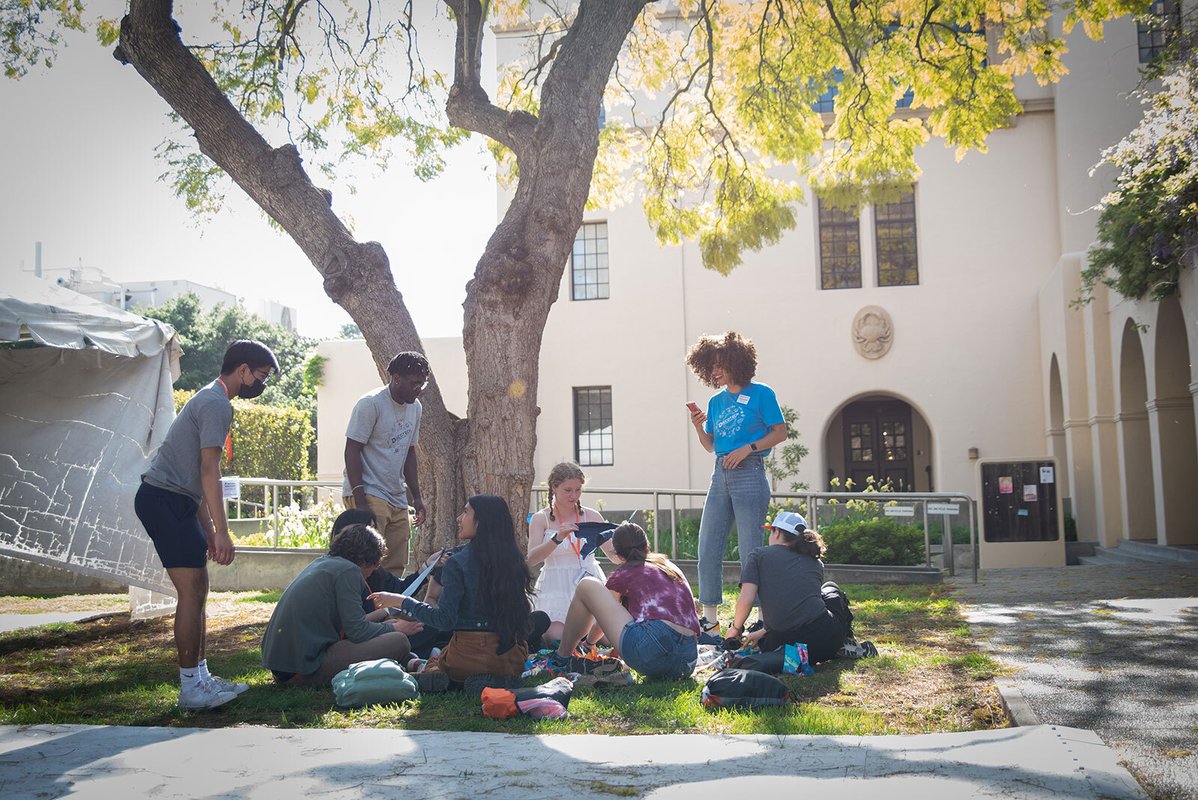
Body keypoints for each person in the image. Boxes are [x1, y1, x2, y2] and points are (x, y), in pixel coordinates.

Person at [134, 339, 278, 709]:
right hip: (163, 501)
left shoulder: (211, 398)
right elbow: (209, 470)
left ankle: (200, 678)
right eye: (259, 376)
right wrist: (224, 532)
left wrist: (211, 531)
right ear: (242, 370)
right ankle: (189, 689)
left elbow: (196, 480)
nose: (259, 385)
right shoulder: (216, 404)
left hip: (179, 500)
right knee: (192, 590)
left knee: (198, 588)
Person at [369, 494, 535, 689]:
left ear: (481, 522)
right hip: (510, 659)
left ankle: (443, 676)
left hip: (466, 657)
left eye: (465, 512)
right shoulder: (513, 560)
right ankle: (495, 677)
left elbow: (444, 620)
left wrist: (400, 601)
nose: (459, 518)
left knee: (435, 664)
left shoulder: (458, 562)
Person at [685, 331, 787, 633]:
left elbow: (780, 432)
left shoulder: (762, 394)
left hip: (750, 473)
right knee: (707, 546)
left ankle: (761, 618)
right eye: (711, 366)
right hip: (720, 474)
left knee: (750, 550)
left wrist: (749, 448)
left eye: (720, 365)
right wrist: (698, 428)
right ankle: (711, 619)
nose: (715, 371)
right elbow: (711, 445)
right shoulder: (716, 402)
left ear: (736, 362)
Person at [260, 523, 423, 686]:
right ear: (367, 560)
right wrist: (397, 628)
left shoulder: (325, 563)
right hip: (304, 668)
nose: (373, 572)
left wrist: (385, 616)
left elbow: (353, 623)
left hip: (285, 666)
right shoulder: (349, 572)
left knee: (388, 627)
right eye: (375, 565)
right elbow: (358, 632)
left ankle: (416, 665)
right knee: (399, 641)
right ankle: (417, 666)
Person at [548, 522, 699, 680]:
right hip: (687, 660)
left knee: (587, 585)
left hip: (653, 650)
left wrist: (590, 643)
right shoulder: (668, 566)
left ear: (618, 555)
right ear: (647, 546)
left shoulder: (624, 573)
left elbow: (602, 622)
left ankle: (562, 656)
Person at [726, 511, 876, 664]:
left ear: (776, 532)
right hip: (824, 641)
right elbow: (802, 604)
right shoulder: (816, 563)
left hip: (782, 641)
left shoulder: (758, 556)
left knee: (775, 643)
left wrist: (735, 629)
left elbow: (747, 599)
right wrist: (763, 631)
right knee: (830, 589)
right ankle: (843, 642)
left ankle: (788, 656)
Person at [343, 351, 429, 573]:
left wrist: (417, 497)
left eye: (422, 384)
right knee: (366, 561)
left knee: (395, 562)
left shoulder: (415, 407)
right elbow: (352, 450)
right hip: (369, 490)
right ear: (396, 378)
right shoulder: (371, 404)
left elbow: (410, 452)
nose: (418, 389)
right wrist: (360, 500)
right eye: (413, 383)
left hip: (396, 495)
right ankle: (361, 606)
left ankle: (389, 607)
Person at [333, 507, 453, 659]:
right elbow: (353, 628)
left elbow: (401, 589)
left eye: (374, 529)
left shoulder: (372, 570)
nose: (373, 535)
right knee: (400, 639)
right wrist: (391, 621)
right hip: (354, 640)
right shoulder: (345, 574)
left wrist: (426, 567)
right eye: (368, 530)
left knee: (428, 623)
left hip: (376, 627)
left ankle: (430, 655)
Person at [527, 462, 616, 644]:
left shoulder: (591, 516)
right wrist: (556, 539)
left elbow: (614, 556)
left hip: (589, 579)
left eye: (578, 490)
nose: (573, 495)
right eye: (568, 490)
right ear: (554, 487)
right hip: (556, 585)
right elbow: (531, 559)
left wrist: (629, 544)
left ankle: (591, 639)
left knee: (608, 636)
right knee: (557, 636)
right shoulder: (541, 518)